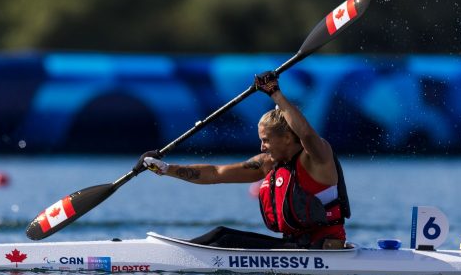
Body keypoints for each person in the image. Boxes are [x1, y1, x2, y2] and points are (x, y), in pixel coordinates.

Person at [134, 71, 350, 249]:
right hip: (295, 248)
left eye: (266, 140)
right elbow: (215, 174)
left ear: (286, 137)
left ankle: (178, 253)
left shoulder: (317, 157)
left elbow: (307, 134)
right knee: (221, 234)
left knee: (223, 238)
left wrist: (275, 93)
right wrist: (165, 168)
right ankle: (175, 250)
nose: (262, 146)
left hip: (325, 250)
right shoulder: (268, 163)